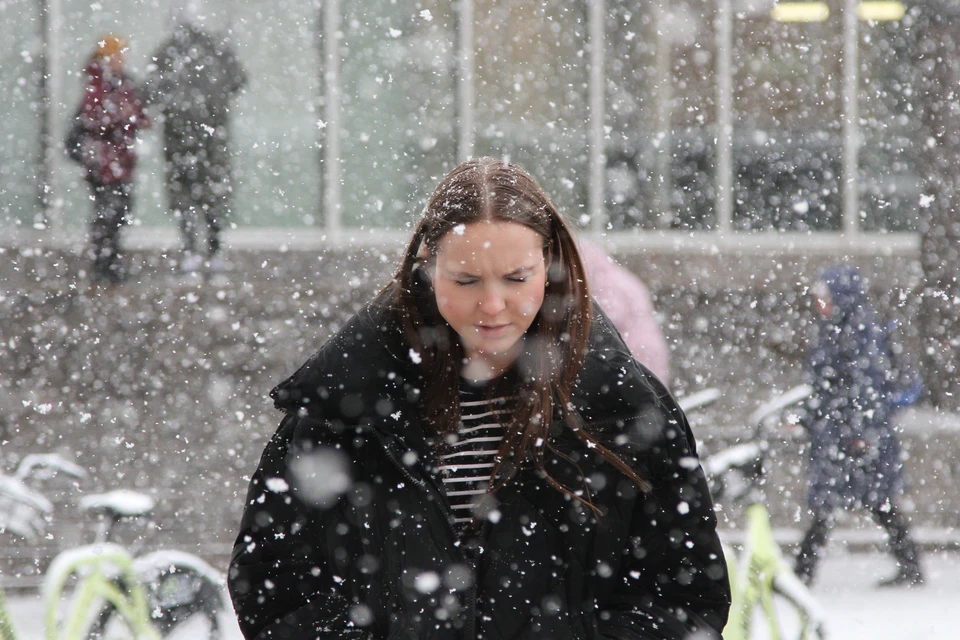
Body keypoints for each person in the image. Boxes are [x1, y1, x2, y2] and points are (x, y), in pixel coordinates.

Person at [228, 157, 730, 639]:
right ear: (427, 267)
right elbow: (276, 584)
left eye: (516, 278)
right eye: (466, 280)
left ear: (550, 265)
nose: (493, 305)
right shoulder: (346, 405)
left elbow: (684, 596)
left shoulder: (621, 407)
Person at [794, 265, 924, 587]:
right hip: (844, 434)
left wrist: (860, 432)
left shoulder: (857, 332)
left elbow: (864, 388)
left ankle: (801, 574)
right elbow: (828, 387)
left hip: (850, 438)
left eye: (823, 297)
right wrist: (807, 418)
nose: (819, 304)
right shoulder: (841, 329)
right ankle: (909, 566)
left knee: (838, 505)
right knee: (874, 503)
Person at [142, 2, 247, 273]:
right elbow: (238, 80)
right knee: (210, 199)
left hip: (181, 141)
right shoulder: (215, 50)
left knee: (186, 198)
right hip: (210, 141)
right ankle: (213, 252)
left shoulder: (168, 53)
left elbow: (151, 93)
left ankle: (193, 251)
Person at [66, 34, 150, 284]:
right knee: (108, 214)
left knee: (117, 213)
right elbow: (94, 118)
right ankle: (104, 267)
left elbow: (136, 114)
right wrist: (123, 116)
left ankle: (109, 265)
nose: (122, 59)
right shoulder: (99, 82)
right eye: (117, 54)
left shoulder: (120, 82)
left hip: (118, 161)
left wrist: (134, 117)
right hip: (105, 163)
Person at [577, 239, 671, 383]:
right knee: (650, 393)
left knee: (637, 392)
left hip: (633, 351)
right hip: (647, 349)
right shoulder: (619, 276)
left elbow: (610, 319)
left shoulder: (605, 285)